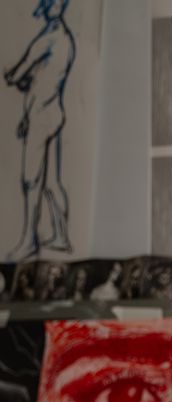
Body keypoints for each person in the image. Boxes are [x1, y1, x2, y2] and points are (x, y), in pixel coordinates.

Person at [4, 0, 76, 261]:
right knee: (52, 181)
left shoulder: (49, 39)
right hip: (52, 111)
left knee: (31, 181)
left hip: (42, 115)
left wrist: (12, 76)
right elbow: (41, 80)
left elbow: (19, 73)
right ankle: (61, 235)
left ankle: (28, 240)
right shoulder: (65, 38)